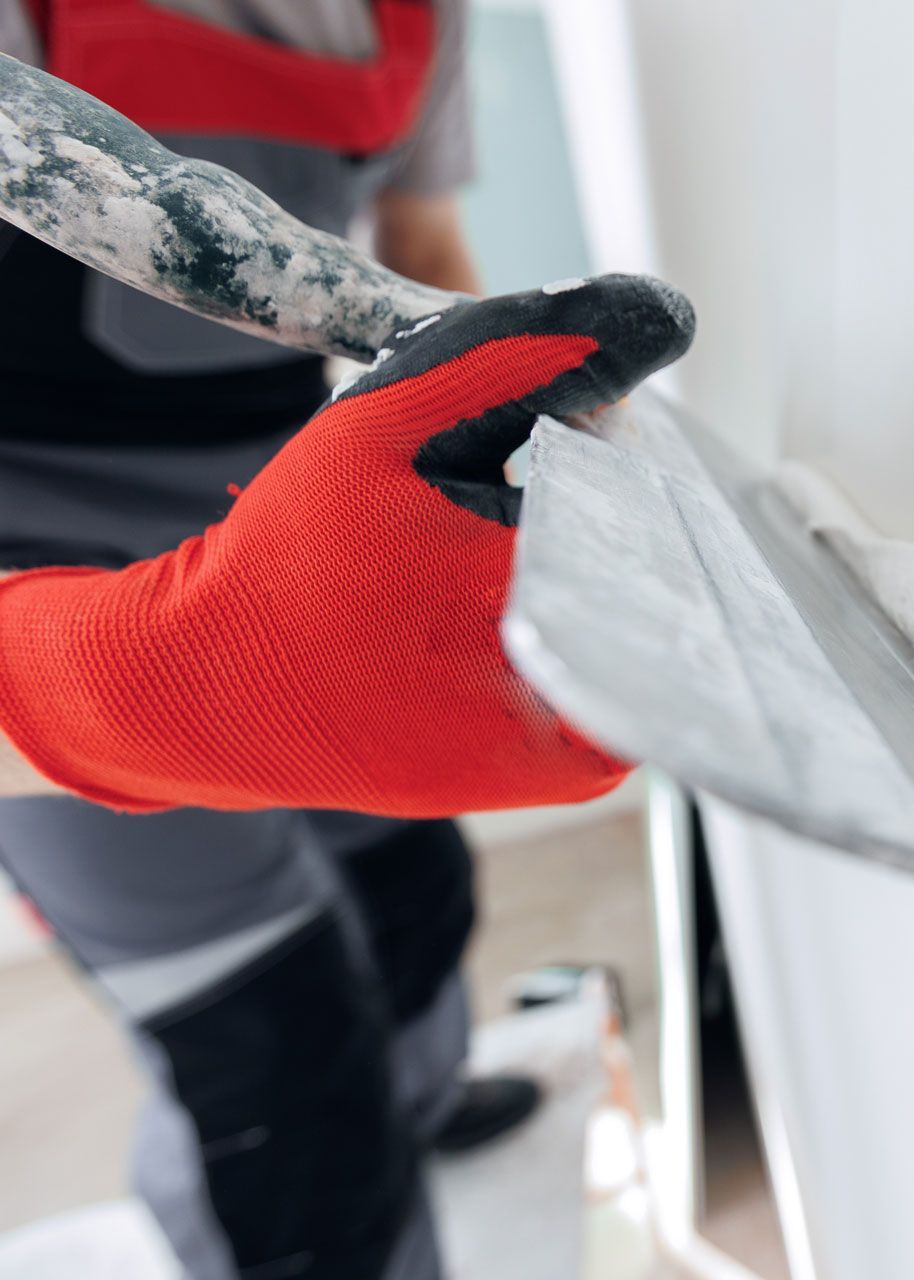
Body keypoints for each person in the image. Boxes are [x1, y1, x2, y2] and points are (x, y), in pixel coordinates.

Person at [0, 6, 689, 1278]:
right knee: (273, 1050)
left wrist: (521, 436)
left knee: (414, 893)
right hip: (41, 587)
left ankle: (422, 1109)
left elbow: (413, 244)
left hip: (282, 517)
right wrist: (147, 675)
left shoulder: (415, 21)